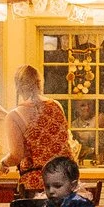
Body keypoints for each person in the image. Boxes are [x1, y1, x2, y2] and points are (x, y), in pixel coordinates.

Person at [10, 65, 72, 193]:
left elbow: (16, 156)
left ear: (18, 87)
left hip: (36, 186)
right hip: (64, 182)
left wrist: (3, 164)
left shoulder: (15, 115)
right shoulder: (56, 106)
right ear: (40, 84)